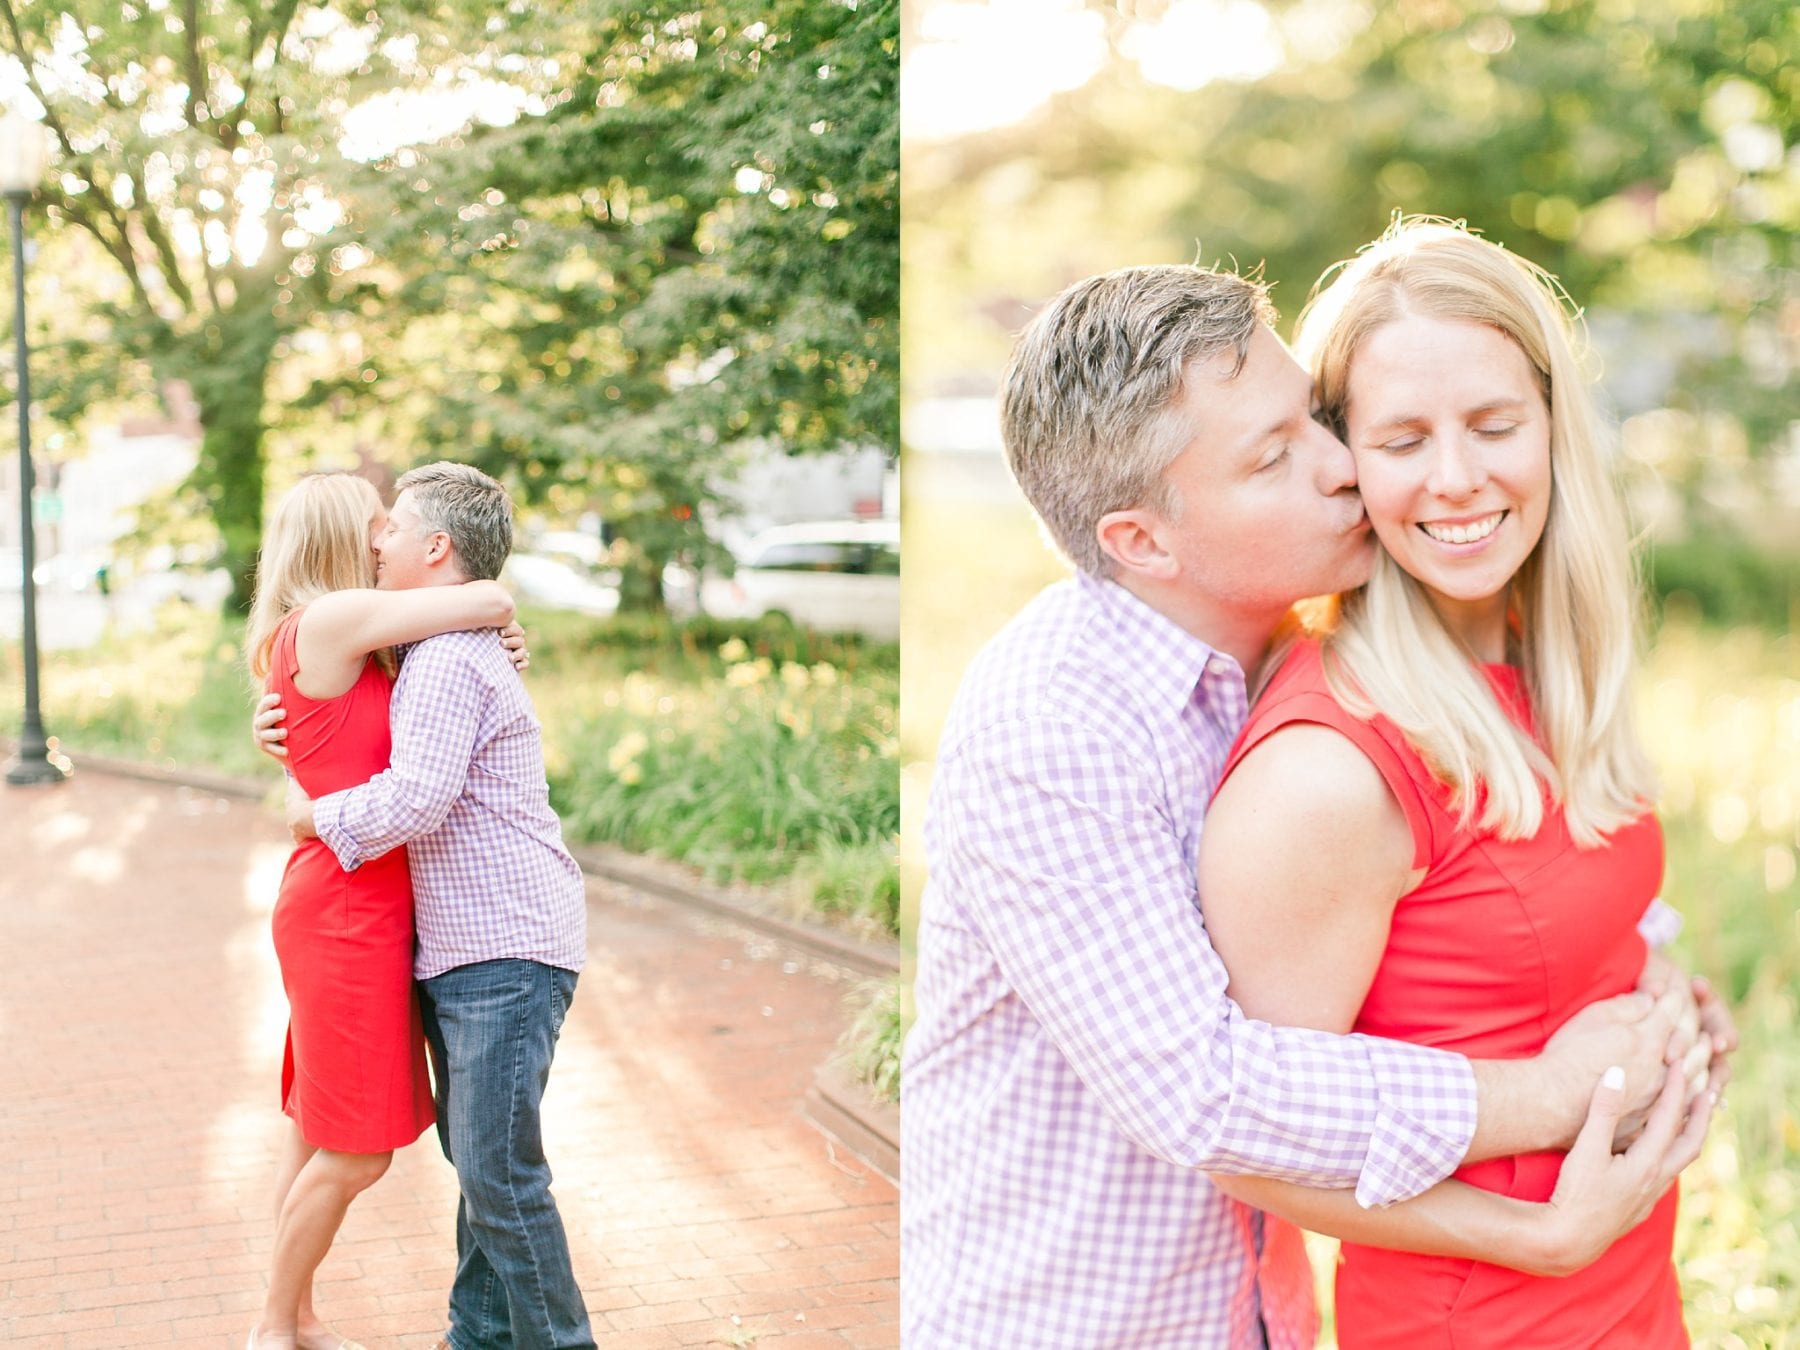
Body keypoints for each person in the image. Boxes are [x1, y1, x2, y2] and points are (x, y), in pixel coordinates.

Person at [901, 260, 1733, 1348]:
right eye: (1275, 457)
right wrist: (1552, 1098)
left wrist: (1647, 986)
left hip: (1253, 1308)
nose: (1345, 467)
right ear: (1143, 543)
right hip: (1076, 1319)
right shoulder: (1054, 729)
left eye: (1317, 419)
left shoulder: (1272, 648)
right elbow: (1203, 1093)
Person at [1197, 219, 1717, 1346]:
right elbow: (1252, 1142)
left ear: (1551, 427)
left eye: (1493, 425)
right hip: (1479, 1320)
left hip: (1633, 1296)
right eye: (1401, 440)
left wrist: (1655, 983)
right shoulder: (1328, 772)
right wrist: (1538, 1237)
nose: (1457, 479)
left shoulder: (1536, 653)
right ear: (1345, 460)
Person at [276, 461, 596, 1350]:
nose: (377, 540)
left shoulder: (449, 658)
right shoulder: (428, 647)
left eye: (394, 524)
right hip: (471, 946)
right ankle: (480, 1336)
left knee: (498, 1175)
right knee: (484, 1167)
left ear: (434, 546)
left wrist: (311, 813)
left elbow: (415, 797)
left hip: (503, 946)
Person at [243, 472, 523, 1350]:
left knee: (315, 1128)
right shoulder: (332, 622)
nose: (382, 541)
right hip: (344, 910)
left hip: (357, 897)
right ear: (337, 538)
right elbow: (495, 591)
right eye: (374, 527)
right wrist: (500, 619)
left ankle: (295, 1316)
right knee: (358, 1148)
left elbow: (471, 631)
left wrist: (503, 642)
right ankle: (268, 1331)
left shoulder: (354, 638)